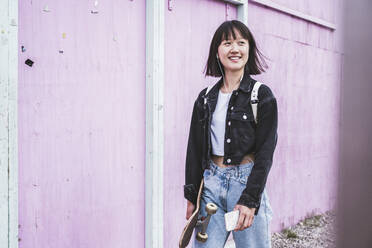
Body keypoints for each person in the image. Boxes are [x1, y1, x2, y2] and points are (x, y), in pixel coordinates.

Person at [183, 20, 278, 248]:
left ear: (249, 49)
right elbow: (194, 150)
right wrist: (191, 195)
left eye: (241, 43)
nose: (234, 49)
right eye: (227, 43)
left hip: (244, 184)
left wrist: (250, 199)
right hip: (211, 189)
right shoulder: (205, 98)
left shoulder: (262, 95)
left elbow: (265, 154)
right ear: (217, 51)